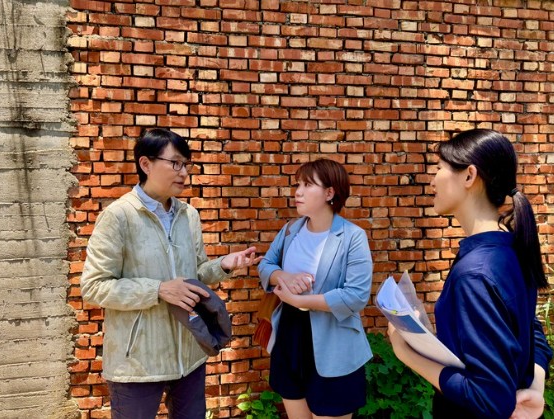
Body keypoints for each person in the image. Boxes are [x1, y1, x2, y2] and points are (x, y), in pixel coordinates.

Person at [80, 128, 261, 419]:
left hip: (189, 355)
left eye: (186, 164)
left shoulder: (188, 215)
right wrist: (158, 290)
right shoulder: (118, 216)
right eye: (175, 163)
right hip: (137, 363)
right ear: (145, 164)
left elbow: (195, 275)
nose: (184, 172)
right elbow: (94, 287)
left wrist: (224, 265)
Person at [388, 129, 553, 419]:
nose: (432, 181)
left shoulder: (475, 273)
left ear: (469, 176)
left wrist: (407, 354)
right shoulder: (509, 248)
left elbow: (489, 398)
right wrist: (535, 387)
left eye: (439, 168)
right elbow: (531, 330)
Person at [258, 159, 373, 419]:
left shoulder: (353, 237)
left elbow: (356, 296)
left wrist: (301, 300)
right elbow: (266, 265)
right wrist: (284, 276)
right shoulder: (291, 230)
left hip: (334, 343)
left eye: (307, 185)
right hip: (289, 337)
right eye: (298, 184)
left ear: (329, 193)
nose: (297, 192)